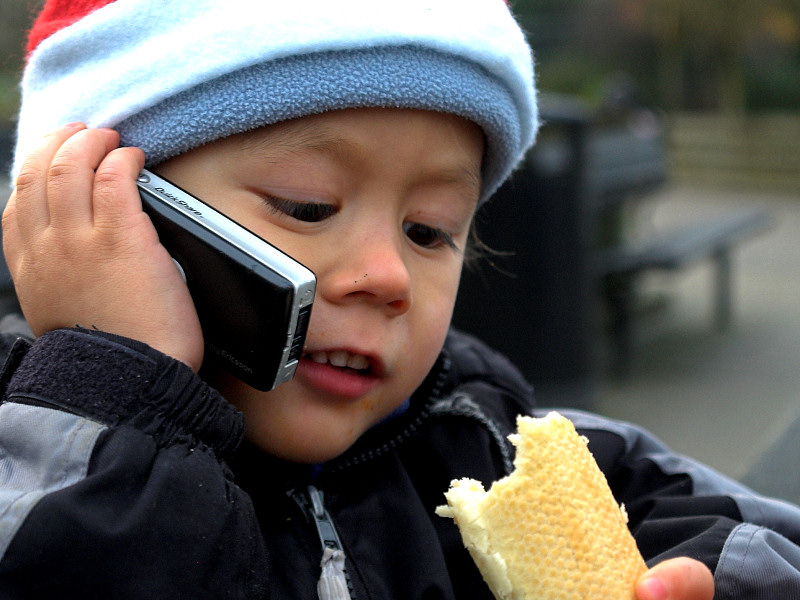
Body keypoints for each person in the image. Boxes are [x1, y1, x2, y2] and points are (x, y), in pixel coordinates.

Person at [0, 1, 797, 598]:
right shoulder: (24, 469)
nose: (388, 276)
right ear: (104, 212)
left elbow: (747, 534)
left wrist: (711, 578)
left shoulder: (480, 434)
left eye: (430, 231)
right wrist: (115, 392)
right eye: (307, 206)